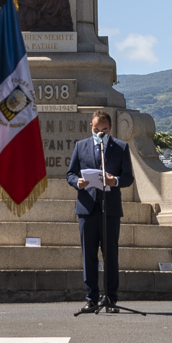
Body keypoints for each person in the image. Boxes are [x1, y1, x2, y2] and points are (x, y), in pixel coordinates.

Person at [67, 108, 132, 314]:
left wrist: (115, 181)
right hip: (87, 208)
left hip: (110, 208)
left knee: (110, 255)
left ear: (110, 128)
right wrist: (77, 182)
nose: (100, 133)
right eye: (96, 129)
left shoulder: (120, 148)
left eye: (103, 129)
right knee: (89, 255)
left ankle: (111, 298)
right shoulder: (81, 146)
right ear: (91, 127)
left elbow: (128, 177)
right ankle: (91, 298)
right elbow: (69, 174)